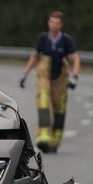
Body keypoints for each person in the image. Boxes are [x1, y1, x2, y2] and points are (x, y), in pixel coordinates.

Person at [19, 11, 81, 153]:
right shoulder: (42, 39)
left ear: (61, 24)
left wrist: (75, 77)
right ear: (48, 23)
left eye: (57, 23)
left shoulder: (66, 40)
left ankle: (55, 141)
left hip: (60, 77)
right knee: (43, 102)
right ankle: (43, 136)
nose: (54, 25)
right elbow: (35, 56)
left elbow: (75, 58)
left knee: (59, 109)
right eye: (52, 22)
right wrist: (25, 73)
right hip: (44, 75)